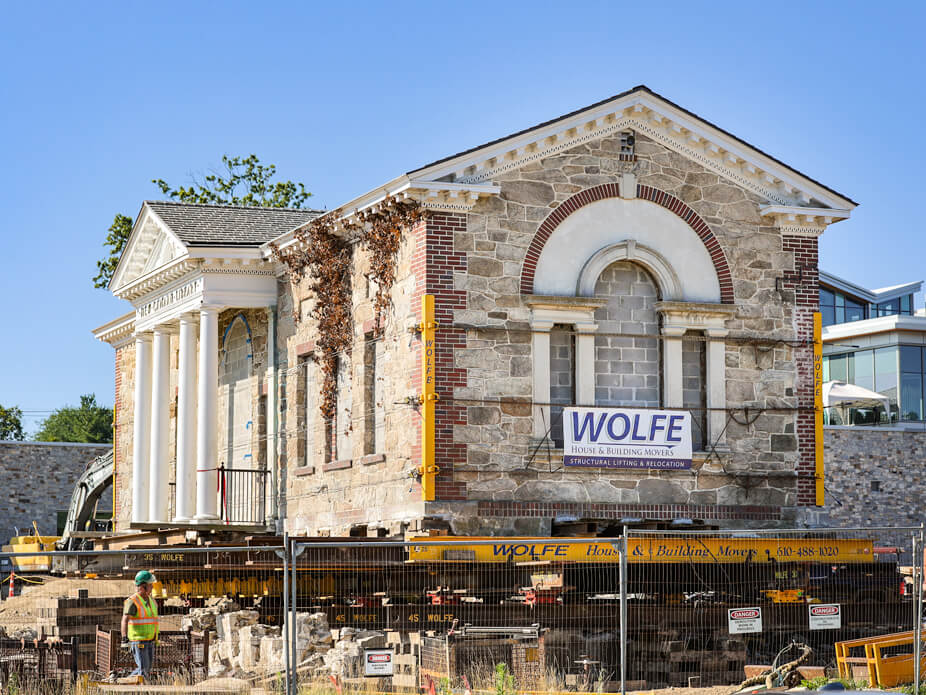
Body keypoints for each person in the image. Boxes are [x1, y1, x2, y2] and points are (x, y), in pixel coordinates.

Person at [121, 570, 159, 679]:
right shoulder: (133, 601)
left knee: (145, 670)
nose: (152, 588)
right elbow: (125, 620)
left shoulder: (151, 600)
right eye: (150, 585)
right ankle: (123, 685)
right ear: (143, 586)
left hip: (150, 640)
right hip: (139, 641)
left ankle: (123, 684)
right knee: (143, 670)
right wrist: (124, 639)